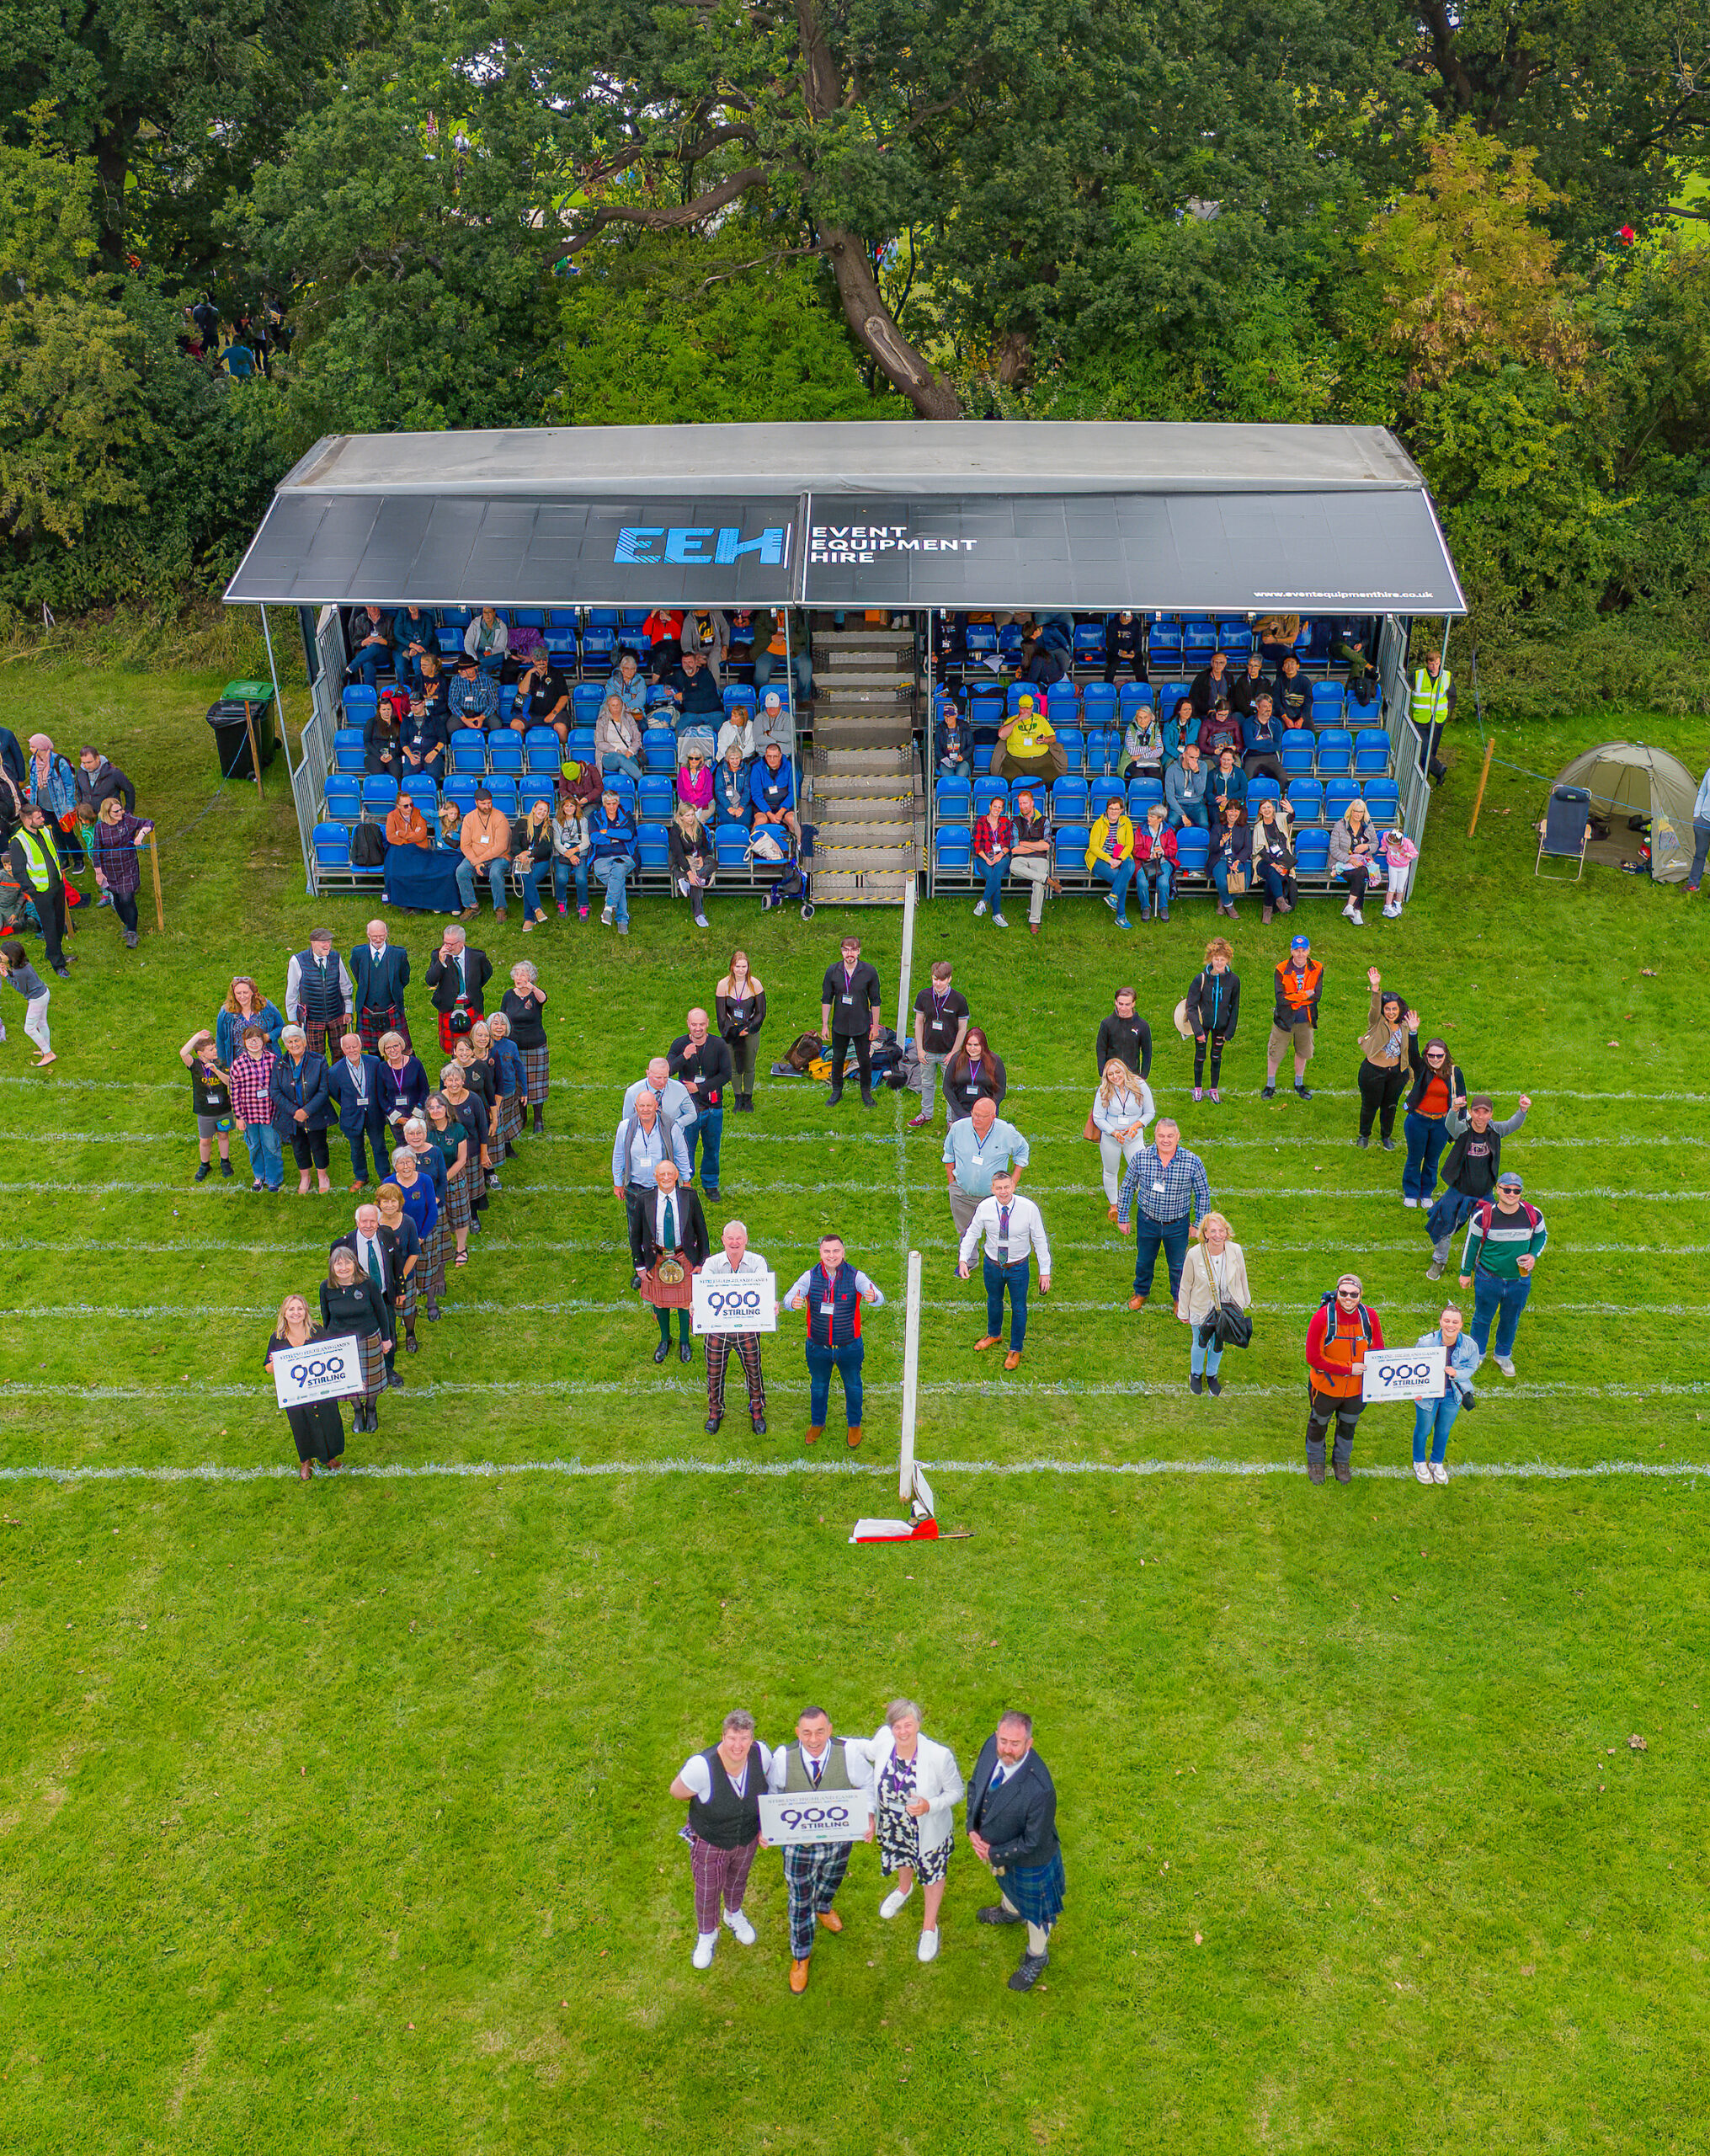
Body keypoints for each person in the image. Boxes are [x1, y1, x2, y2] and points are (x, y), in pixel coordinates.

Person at [765, 1706, 875, 1992]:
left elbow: (869, 1783)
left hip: (839, 1840)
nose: (814, 1740)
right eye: (807, 1733)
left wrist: (870, 1815)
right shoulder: (782, 1759)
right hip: (798, 1846)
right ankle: (801, 1957)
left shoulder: (849, 1754)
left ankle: (824, 1906)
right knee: (800, 1901)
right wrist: (769, 1825)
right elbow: (772, 1794)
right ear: (797, 1733)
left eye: (820, 1732)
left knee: (831, 1881)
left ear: (830, 1729)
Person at [966, 1711, 1063, 1993]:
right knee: (1006, 1883)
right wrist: (971, 1828)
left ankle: (1037, 1955)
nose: (1007, 1749)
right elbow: (976, 1787)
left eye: (1016, 1744)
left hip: (1033, 1861)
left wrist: (992, 1852)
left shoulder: (1040, 1788)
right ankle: (1010, 1911)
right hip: (997, 1848)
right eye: (1004, 1741)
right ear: (997, 1736)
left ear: (1029, 1744)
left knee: (1038, 1912)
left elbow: (1032, 1841)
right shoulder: (990, 1747)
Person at [670, 1709, 772, 1971]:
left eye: (744, 1738)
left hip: (747, 1835)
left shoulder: (762, 1755)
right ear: (722, 1737)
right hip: (710, 1840)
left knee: (739, 1878)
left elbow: (767, 1790)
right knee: (707, 1889)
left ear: (752, 1739)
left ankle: (733, 1914)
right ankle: (707, 1934)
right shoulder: (701, 1767)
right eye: (732, 1738)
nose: (738, 1745)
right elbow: (677, 1791)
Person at [865, 1701, 964, 1966]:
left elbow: (956, 1792)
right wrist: (826, 1740)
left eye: (908, 1724)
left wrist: (930, 1805)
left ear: (918, 1724)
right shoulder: (885, 1742)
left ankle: (929, 1927)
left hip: (927, 1829)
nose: (902, 1731)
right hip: (895, 1824)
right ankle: (904, 1889)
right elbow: (859, 1748)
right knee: (902, 1859)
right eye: (897, 1726)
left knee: (932, 1874)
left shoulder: (938, 1755)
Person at [782, 1234, 885, 1449]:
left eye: (836, 1251)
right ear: (820, 1253)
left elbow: (879, 1297)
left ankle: (854, 1425)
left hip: (850, 1345)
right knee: (818, 1387)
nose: (831, 1255)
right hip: (818, 1346)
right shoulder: (809, 1276)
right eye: (827, 1251)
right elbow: (787, 1300)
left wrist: (872, 1296)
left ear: (843, 1253)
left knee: (853, 1386)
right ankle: (817, 1423)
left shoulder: (856, 1276)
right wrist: (794, 1302)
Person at [1426, 1091, 1532, 1279]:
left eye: (1485, 1112)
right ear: (1472, 1113)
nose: (1481, 1116)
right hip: (1459, 1191)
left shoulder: (1495, 1130)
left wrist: (1522, 1110)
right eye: (1477, 1112)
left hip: (1484, 1194)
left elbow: (1512, 1125)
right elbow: (1450, 1125)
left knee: (1486, 1230)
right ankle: (1439, 1261)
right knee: (1445, 1226)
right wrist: (1453, 1109)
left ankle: (1477, 1261)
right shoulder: (1463, 1129)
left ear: (1491, 1114)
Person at [957, 1168, 1051, 1371]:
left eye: (1007, 1187)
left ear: (1013, 1187)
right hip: (992, 1264)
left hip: (1018, 1266)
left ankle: (1015, 1348)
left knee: (1019, 1308)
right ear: (992, 1189)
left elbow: (1040, 1239)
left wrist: (1045, 1271)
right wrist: (963, 1260)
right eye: (998, 1188)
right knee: (993, 1300)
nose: (1003, 1192)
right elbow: (972, 1232)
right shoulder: (985, 1207)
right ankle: (994, 1334)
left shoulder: (1029, 1208)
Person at [1116, 1119, 1211, 1310]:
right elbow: (1127, 1187)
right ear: (1155, 1136)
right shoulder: (1141, 1158)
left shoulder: (1193, 1161)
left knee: (1178, 1266)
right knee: (1144, 1260)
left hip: (1178, 1225)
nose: (1165, 1140)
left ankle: (1179, 1299)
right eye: (1161, 1136)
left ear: (1178, 1137)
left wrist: (1198, 1223)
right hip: (1147, 1221)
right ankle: (1141, 1293)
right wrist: (1123, 1217)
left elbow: (1202, 1193)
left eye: (1170, 1136)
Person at [1459, 1173, 1547, 1377]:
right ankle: (1477, 1355)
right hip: (1488, 1278)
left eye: (1516, 1191)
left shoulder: (1533, 1214)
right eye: (1506, 1189)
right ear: (1497, 1190)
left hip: (1520, 1280)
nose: (1511, 1194)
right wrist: (1465, 1273)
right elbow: (1470, 1246)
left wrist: (1533, 1255)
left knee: (1511, 1318)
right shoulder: (1483, 1216)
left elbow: (1541, 1235)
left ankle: (1503, 1355)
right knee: (1482, 1318)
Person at [1304, 1276, 1383, 1483]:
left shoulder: (1370, 1316)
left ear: (1361, 1295)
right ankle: (1316, 1463)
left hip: (1357, 1391)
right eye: (1343, 1293)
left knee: (1348, 1426)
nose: (1348, 1298)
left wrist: (1380, 1389)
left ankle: (1341, 1462)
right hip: (1326, 1388)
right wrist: (1349, 1369)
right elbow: (1313, 1358)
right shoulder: (1322, 1318)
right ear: (1337, 1292)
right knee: (1318, 1424)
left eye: (1353, 1294)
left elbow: (1378, 1352)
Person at [265, 1294, 347, 1480]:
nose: (296, 1313)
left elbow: (333, 1354)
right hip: (295, 1392)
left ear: (306, 1311)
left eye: (300, 1309)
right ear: (284, 1313)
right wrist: (275, 1363)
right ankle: (306, 1461)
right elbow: (268, 1368)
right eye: (291, 1309)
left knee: (328, 1421)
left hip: (320, 1388)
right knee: (301, 1424)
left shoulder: (317, 1331)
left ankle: (328, 1458)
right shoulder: (277, 1337)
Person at [700, 1219, 769, 1435]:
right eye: (730, 1238)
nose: (735, 1242)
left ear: (746, 1240)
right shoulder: (711, 1264)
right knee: (714, 1374)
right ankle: (714, 1412)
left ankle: (757, 1411)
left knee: (754, 1372)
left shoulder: (758, 1262)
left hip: (747, 1328)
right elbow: (705, 1294)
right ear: (723, 1240)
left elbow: (761, 1291)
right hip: (717, 1329)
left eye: (739, 1238)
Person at [613, 1086, 694, 1268]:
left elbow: (681, 1153)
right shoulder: (625, 1127)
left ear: (657, 1105)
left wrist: (686, 1179)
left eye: (649, 1105)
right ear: (636, 1107)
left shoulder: (671, 1126)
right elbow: (618, 1154)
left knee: (662, 1228)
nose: (645, 1109)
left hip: (662, 1188)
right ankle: (640, 1267)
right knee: (636, 1231)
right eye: (641, 1105)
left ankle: (663, 1264)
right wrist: (618, 1183)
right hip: (636, 1188)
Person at [636, 1158, 706, 1365]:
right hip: (656, 1258)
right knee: (660, 1303)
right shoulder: (644, 1199)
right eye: (661, 1174)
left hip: (684, 1256)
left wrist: (702, 1260)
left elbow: (701, 1229)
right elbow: (636, 1235)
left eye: (670, 1174)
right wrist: (639, 1265)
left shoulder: (690, 1197)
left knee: (685, 1304)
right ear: (655, 1177)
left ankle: (685, 1341)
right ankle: (665, 1339)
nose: (666, 1178)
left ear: (676, 1176)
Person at [1175, 1210, 1251, 1397]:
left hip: (1227, 1307)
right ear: (1205, 1234)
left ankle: (1211, 1375)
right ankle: (1195, 1374)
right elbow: (1186, 1284)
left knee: (1218, 1344)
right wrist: (1183, 1311)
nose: (1218, 1235)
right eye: (1213, 1231)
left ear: (1227, 1232)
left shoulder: (1235, 1250)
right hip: (1201, 1307)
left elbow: (1242, 1277)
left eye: (1222, 1230)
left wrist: (1244, 1302)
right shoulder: (1194, 1254)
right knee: (1200, 1343)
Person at [333, 1203, 407, 1388]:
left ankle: (388, 1370)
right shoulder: (343, 1244)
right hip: (358, 1301)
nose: (368, 1225)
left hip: (383, 1296)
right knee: (359, 1336)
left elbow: (397, 1264)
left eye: (372, 1221)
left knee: (389, 1334)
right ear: (357, 1222)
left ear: (379, 1221)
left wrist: (400, 1290)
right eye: (364, 1221)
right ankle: (359, 1372)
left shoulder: (387, 1235)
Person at [318, 1245, 390, 1434]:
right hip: (341, 1344)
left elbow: (382, 1311)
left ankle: (371, 1409)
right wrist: (328, 1344)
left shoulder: (368, 1284)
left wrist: (387, 1338)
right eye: (338, 1264)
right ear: (332, 1267)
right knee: (348, 1381)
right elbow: (326, 1317)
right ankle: (358, 1410)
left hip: (369, 1339)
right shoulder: (326, 1287)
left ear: (354, 1263)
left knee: (371, 1380)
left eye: (347, 1262)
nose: (343, 1267)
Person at [944, 1097, 1031, 1241]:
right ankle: (968, 1263)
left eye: (982, 1116)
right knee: (966, 1235)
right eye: (975, 1114)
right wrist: (952, 1183)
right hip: (962, 1194)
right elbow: (949, 1154)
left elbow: (1022, 1151)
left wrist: (1013, 1182)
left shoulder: (1006, 1132)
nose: (976, 1119)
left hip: (995, 1197)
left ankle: (998, 1263)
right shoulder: (958, 1128)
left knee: (998, 1235)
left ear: (993, 1116)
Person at [1411, 1305, 1481, 1485]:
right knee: (1424, 1430)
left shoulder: (1470, 1345)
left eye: (1455, 1322)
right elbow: (1413, 1368)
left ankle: (1436, 1462)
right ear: (1440, 1322)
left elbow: (1472, 1367)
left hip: (1453, 1394)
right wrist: (1416, 1392)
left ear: (1461, 1324)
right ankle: (1419, 1462)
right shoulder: (1426, 1342)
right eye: (1447, 1321)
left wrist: (1457, 1373)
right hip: (1428, 1395)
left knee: (1443, 1430)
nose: (1451, 1325)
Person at [668, 1006, 732, 1198]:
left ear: (707, 1024)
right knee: (686, 1148)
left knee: (712, 1148)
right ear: (688, 1024)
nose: (698, 1028)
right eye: (694, 1024)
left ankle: (711, 1185)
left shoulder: (719, 1045)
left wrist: (701, 1088)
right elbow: (668, 1070)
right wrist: (684, 1057)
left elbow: (726, 1074)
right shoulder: (679, 1044)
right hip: (687, 1111)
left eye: (702, 1024)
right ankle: (685, 1183)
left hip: (713, 1108)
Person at [1355, 969, 1418, 1150]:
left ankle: (1386, 1136)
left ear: (1400, 1010)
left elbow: (1409, 1051)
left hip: (1397, 1074)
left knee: (1390, 1106)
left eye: (1394, 1009)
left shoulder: (1405, 1026)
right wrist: (1375, 987)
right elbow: (1374, 1009)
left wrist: (1411, 1073)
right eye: (1387, 1009)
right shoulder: (1377, 1022)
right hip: (1373, 1072)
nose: (1390, 1012)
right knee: (1370, 1105)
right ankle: (1364, 1135)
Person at [1402, 1034, 1465, 1209]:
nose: (1435, 1059)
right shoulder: (1422, 1068)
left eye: (1439, 1056)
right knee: (1414, 1158)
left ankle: (1426, 1193)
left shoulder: (1454, 1072)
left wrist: (1459, 1125)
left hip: (1441, 1123)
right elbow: (1412, 1053)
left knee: (1432, 1160)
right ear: (1426, 1056)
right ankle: (1411, 1192)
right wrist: (1412, 1033)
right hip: (1418, 1121)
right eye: (1431, 1055)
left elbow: (1462, 1096)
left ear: (1445, 1056)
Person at [820, 936, 883, 1108]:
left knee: (864, 1060)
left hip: (861, 1025)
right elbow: (826, 999)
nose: (850, 953)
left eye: (853, 950)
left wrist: (875, 1026)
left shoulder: (869, 971)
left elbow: (875, 1001)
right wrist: (825, 1025)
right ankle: (836, 1091)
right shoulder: (833, 971)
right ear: (841, 951)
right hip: (839, 1025)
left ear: (859, 951)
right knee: (838, 1059)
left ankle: (866, 1093)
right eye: (846, 950)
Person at [7, 806, 71, 974]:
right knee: (49, 927)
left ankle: (54, 953)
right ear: (27, 820)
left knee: (58, 924)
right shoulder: (18, 841)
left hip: (57, 885)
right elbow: (19, 871)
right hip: (41, 892)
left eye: (41, 816)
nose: (43, 819)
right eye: (38, 817)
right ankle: (58, 965)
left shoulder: (45, 832)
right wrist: (33, 891)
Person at [908, 960, 969, 1130]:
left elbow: (963, 1028)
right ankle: (926, 1114)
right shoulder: (923, 996)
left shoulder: (958, 999)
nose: (937, 983)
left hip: (949, 1053)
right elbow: (919, 1022)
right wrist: (919, 1049)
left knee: (950, 1087)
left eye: (941, 980)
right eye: (935, 979)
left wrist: (954, 1053)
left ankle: (951, 1120)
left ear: (949, 979)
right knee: (926, 1084)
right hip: (927, 1051)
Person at [1092, 1057, 1153, 1220]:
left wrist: (1135, 1126)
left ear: (1124, 1071)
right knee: (1111, 1170)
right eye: (1110, 1074)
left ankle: (1147, 1202)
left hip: (1133, 1138)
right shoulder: (1103, 1090)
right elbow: (1098, 1117)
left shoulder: (1140, 1085)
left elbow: (1150, 1112)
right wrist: (1114, 1132)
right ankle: (1114, 1205)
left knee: (1143, 1170)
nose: (1115, 1076)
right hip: (1111, 1139)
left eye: (1118, 1072)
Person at [88, 794, 154, 948]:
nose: (121, 813)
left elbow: (149, 822)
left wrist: (140, 835)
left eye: (121, 809)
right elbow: (96, 850)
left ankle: (132, 932)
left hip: (127, 866)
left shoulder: (127, 821)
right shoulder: (100, 827)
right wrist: (99, 872)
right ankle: (128, 924)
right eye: (116, 812)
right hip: (109, 869)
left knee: (127, 898)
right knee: (117, 899)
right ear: (107, 814)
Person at [327, 1032, 388, 1190]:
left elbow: (381, 1085)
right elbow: (335, 1093)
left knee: (379, 1145)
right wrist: (349, 1104)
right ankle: (361, 1177)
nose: (352, 1050)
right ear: (342, 1049)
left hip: (374, 1113)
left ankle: (385, 1176)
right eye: (347, 1048)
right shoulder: (335, 1071)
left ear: (360, 1046)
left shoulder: (374, 1062)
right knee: (356, 1148)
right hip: (352, 1115)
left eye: (354, 1046)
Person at [384, 1154, 440, 1326]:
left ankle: (431, 1302)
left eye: (409, 1162)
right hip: (399, 1238)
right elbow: (385, 1210)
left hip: (424, 1234)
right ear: (395, 1166)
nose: (406, 1166)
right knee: (405, 1274)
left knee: (427, 1270)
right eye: (401, 1163)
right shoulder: (389, 1182)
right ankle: (409, 1309)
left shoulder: (425, 1180)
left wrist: (421, 1237)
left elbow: (432, 1209)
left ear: (415, 1163)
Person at [1264, 935, 1321, 1102]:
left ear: (1309, 951)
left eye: (1303, 950)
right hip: (1284, 1020)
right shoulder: (1281, 969)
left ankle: (1299, 1084)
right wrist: (1303, 995)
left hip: (1305, 1019)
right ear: (1291, 950)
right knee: (1275, 1053)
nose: (1300, 954)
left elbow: (1317, 995)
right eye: (1297, 950)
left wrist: (1294, 998)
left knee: (1303, 1052)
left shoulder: (1317, 967)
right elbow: (1281, 998)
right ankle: (1270, 1085)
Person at [1185, 937, 1240, 1104]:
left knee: (1216, 1057)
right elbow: (1191, 1006)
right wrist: (1197, 1030)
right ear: (1211, 958)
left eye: (1222, 959)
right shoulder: (1200, 978)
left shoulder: (1234, 980)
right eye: (1216, 959)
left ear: (1228, 960)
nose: (1219, 962)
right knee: (1200, 1056)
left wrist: (1230, 1031)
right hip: (1203, 1026)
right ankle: (1198, 1088)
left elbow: (1235, 1007)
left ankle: (1214, 1089)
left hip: (1221, 1026)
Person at [422, 1091, 475, 1267]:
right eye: (431, 1107)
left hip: (453, 1177)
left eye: (439, 1106)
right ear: (427, 1111)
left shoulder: (458, 1129)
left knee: (459, 1214)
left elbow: (462, 1159)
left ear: (447, 1108)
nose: (435, 1110)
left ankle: (461, 1248)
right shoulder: (424, 1131)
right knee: (436, 1216)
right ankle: (441, 1250)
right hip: (431, 1181)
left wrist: (444, 1178)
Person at [228, 1022, 282, 1190]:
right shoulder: (238, 1064)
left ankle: (273, 1179)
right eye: (250, 1039)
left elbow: (280, 1087)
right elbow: (235, 1093)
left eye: (257, 1039)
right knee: (255, 1146)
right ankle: (259, 1176)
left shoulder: (273, 1060)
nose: (254, 1042)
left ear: (263, 1041)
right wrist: (239, 1117)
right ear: (244, 1042)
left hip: (269, 1112)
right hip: (249, 1115)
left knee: (272, 1146)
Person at [285, 929, 354, 1059]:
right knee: (315, 1057)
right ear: (313, 943)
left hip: (337, 1015)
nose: (327, 946)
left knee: (341, 1053)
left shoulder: (335, 958)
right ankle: (320, 1079)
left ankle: (339, 1079)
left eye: (329, 942)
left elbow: (345, 985)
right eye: (323, 942)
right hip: (313, 1018)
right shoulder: (297, 961)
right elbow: (292, 992)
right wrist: (293, 1019)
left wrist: (348, 1010)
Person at [424, 924, 493, 1055]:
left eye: (451, 944)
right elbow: (430, 981)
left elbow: (487, 974)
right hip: (449, 1006)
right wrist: (441, 963)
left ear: (462, 943)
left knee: (475, 1043)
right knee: (453, 1048)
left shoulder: (477, 957)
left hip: (471, 1005)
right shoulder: (438, 955)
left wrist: (473, 989)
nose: (447, 947)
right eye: (445, 943)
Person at [499, 961, 550, 1135]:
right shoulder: (508, 995)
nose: (519, 978)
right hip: (514, 1048)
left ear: (530, 978)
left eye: (523, 975)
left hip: (536, 1046)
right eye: (517, 974)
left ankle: (538, 1120)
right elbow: (503, 1018)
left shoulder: (536, 995)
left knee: (537, 1084)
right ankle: (522, 1118)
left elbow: (543, 998)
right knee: (519, 1084)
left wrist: (532, 988)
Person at [178, 1028, 235, 1180]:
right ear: (201, 1054)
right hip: (204, 1110)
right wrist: (196, 1037)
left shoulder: (222, 1063)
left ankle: (225, 1161)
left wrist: (216, 1071)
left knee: (223, 1135)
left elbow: (229, 1082)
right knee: (205, 1140)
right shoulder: (195, 1065)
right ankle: (205, 1164)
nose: (215, 1050)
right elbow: (183, 1053)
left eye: (215, 1047)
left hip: (223, 1109)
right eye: (211, 1049)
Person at [715, 951, 766, 1115]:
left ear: (748, 967)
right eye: (738, 966)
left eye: (744, 966)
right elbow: (721, 1014)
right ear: (732, 967)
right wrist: (732, 1031)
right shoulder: (723, 984)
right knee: (734, 1067)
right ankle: (738, 1098)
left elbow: (761, 1012)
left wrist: (749, 1029)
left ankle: (748, 1098)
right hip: (731, 1032)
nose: (741, 970)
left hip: (750, 1030)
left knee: (749, 1066)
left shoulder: (755, 984)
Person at [350, 920, 412, 1054]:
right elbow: (357, 975)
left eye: (381, 936)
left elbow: (404, 978)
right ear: (368, 934)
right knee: (373, 1051)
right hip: (367, 1008)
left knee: (400, 1048)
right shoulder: (358, 953)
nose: (378, 939)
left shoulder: (398, 954)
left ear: (386, 934)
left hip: (391, 1008)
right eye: (374, 936)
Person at [455, 785, 511, 920]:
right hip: (476, 857)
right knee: (461, 871)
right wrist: (476, 861)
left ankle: (500, 908)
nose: (487, 806)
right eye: (484, 804)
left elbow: (501, 846)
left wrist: (479, 860)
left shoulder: (500, 817)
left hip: (499, 857)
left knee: (496, 873)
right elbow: (465, 845)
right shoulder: (469, 818)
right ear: (476, 803)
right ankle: (472, 906)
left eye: (489, 803)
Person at [588, 788, 638, 935]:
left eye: (614, 803)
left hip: (624, 856)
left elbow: (628, 834)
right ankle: (621, 918)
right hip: (601, 858)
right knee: (618, 879)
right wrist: (616, 838)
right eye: (608, 804)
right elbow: (594, 838)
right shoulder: (595, 817)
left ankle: (610, 909)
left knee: (618, 870)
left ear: (618, 802)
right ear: (604, 804)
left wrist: (607, 833)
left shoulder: (626, 816)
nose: (611, 807)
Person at [1084, 797, 1137, 928]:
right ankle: (1121, 916)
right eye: (1111, 809)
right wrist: (1109, 859)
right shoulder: (1099, 823)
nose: (1113, 812)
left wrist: (1119, 859)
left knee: (1130, 864)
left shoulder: (1126, 822)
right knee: (1121, 880)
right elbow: (1094, 846)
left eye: (1116, 809)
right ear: (1107, 810)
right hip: (1100, 858)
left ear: (1122, 810)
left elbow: (1130, 844)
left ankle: (1113, 896)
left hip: (1120, 856)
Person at [1329, 797, 1380, 926]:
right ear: (1351, 811)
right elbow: (1333, 849)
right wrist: (1349, 859)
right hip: (1343, 864)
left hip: (1363, 863)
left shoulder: (1368, 825)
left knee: (1361, 872)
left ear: (1364, 813)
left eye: (1361, 812)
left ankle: (1350, 907)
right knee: (1361, 875)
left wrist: (1367, 847)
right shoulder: (1340, 825)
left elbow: (1375, 844)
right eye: (1355, 811)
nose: (1358, 814)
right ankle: (1356, 911)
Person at [994, 694, 1066, 784]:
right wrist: (1017, 720)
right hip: (1015, 760)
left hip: (1041, 760)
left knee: (1052, 779)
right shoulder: (1011, 720)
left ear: (1032, 707)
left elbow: (1053, 737)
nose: (1025, 711)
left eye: (1028, 708)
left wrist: (1045, 740)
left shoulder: (1040, 719)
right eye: (1023, 708)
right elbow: (1001, 735)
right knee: (1009, 780)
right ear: (1019, 707)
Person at [0, 942, 53, 1064]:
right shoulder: (24, 964)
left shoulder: (19, 972)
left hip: (36, 999)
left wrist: (7, 976)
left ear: (11, 956)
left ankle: (48, 1054)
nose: (0, 955)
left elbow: (21, 989)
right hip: (44, 993)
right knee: (42, 1023)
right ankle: (45, 1048)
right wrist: (8, 971)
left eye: (2, 954)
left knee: (29, 1028)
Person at [1409, 646, 1454, 782]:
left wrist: (1448, 714)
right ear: (1427, 663)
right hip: (1421, 718)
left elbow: (1452, 696)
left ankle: (1426, 777)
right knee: (1423, 748)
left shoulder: (1447, 676)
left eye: (1437, 663)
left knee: (1431, 750)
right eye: (1431, 664)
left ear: (1440, 663)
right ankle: (1439, 769)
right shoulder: (1417, 675)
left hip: (1438, 719)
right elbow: (1406, 689)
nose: (1434, 667)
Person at [375, 1029, 429, 1144]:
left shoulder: (415, 1063)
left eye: (395, 1046)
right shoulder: (382, 1068)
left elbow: (425, 1090)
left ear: (401, 1046)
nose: (393, 1050)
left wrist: (417, 1113)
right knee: (403, 1149)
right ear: (383, 1050)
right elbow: (381, 1096)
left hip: (416, 1113)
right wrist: (394, 1116)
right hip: (396, 1116)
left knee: (420, 1146)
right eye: (388, 1048)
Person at [944, 1027, 1005, 1123]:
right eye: (969, 1044)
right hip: (960, 1113)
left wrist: (988, 1109)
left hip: (986, 1113)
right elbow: (947, 1088)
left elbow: (1000, 1091)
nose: (972, 1048)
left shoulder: (995, 1061)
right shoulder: (956, 1059)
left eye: (976, 1045)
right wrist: (961, 1113)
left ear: (983, 1045)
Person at [1249, 796, 1296, 924]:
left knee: (1272, 878)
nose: (1267, 810)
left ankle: (1267, 910)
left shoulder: (1280, 818)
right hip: (1264, 862)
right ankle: (1280, 901)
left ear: (1273, 809)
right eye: (1263, 808)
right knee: (1271, 871)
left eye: (1269, 807)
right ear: (1260, 811)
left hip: (1283, 860)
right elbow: (1260, 851)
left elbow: (1291, 818)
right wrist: (1274, 865)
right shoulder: (1259, 827)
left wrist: (1291, 811)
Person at [669, 804, 716, 929]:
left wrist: (701, 856)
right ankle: (699, 914)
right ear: (681, 817)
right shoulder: (675, 830)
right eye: (687, 815)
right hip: (684, 860)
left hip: (698, 859)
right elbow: (678, 854)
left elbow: (705, 847)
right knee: (695, 879)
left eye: (692, 815)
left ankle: (693, 881)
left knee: (713, 863)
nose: (691, 818)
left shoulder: (698, 826)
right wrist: (689, 872)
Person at [509, 799, 554, 929]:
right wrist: (521, 855)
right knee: (525, 877)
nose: (542, 812)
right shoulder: (522, 823)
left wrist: (529, 854)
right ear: (534, 809)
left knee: (529, 880)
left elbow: (546, 849)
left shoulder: (548, 827)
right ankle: (536, 910)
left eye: (545, 811)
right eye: (540, 809)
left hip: (540, 861)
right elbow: (514, 844)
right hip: (521, 859)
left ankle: (529, 918)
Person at [1132, 799, 1178, 923]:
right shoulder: (1141, 830)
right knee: (1142, 882)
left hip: (1163, 862)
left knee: (1163, 883)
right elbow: (1136, 850)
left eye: (1152, 816)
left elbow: (1173, 850)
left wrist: (1163, 851)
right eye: (1148, 815)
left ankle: (1163, 907)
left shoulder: (1168, 831)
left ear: (1160, 819)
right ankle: (1145, 906)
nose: (1148, 818)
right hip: (1145, 861)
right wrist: (1150, 855)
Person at [749, 742, 801, 846]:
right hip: (764, 806)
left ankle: (798, 848)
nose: (772, 760)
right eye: (769, 756)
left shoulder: (789, 767)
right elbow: (756, 795)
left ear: (780, 756)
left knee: (792, 820)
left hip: (783, 806)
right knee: (760, 821)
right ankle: (753, 849)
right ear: (765, 755)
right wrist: (769, 813)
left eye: (775, 756)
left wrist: (781, 812)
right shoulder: (757, 768)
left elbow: (793, 793)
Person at [972, 792, 1012, 927]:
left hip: (1001, 856)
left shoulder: (1006, 823)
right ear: (990, 807)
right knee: (993, 877)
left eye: (999, 807)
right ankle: (997, 914)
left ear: (1002, 810)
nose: (996, 809)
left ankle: (984, 901)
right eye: (995, 806)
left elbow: (1008, 844)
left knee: (998, 870)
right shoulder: (980, 822)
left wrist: (999, 856)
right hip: (984, 856)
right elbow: (977, 846)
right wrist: (988, 860)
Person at [1095, 987, 1153, 1081]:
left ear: (1133, 1004)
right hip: (1112, 1076)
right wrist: (1103, 1073)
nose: (1123, 1008)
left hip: (1132, 1075)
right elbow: (1101, 1049)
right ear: (1115, 1002)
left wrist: (1143, 1076)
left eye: (1127, 1004)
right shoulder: (1107, 1024)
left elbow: (1147, 1052)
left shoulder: (1142, 1025)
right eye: (1120, 1004)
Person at [1209, 799, 1249, 919]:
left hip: (1237, 859)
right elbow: (1212, 847)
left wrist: (1237, 861)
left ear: (1240, 812)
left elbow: (1247, 848)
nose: (1233, 813)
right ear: (1226, 812)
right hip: (1220, 858)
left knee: (1243, 886)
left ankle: (1222, 899)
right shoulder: (1217, 827)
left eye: (1236, 810)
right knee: (1222, 883)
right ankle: (1229, 906)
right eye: (1230, 810)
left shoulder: (1244, 828)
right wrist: (1221, 842)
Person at [1239, 691, 1286, 787]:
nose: (1268, 709)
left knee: (1283, 778)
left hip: (1271, 757)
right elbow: (1250, 744)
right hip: (1252, 757)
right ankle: (1245, 801)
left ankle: (1277, 800)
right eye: (1265, 706)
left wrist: (1258, 743)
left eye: (1270, 706)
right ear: (1258, 707)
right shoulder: (1248, 723)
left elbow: (1277, 745)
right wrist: (1268, 741)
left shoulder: (1276, 723)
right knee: (1245, 781)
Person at [447, 654, 500, 731]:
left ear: (474, 668)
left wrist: (482, 717)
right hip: (464, 712)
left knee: (496, 724)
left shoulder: (486, 679)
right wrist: (464, 719)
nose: (460, 671)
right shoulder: (456, 680)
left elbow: (494, 702)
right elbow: (452, 703)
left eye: (463, 669)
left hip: (483, 712)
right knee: (451, 726)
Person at [344, 606, 392, 687]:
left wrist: (384, 641)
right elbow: (355, 641)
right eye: (369, 606)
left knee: (376, 646)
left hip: (383, 654)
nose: (372, 609)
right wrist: (364, 642)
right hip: (366, 655)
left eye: (374, 606)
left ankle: (351, 668)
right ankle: (372, 694)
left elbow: (394, 641)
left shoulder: (388, 619)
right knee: (367, 664)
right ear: (366, 607)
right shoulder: (360, 620)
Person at [1164, 743, 1208, 831]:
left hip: (1197, 804)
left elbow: (1200, 791)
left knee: (1204, 824)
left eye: (1196, 758)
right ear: (1184, 755)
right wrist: (1182, 815)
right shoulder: (1172, 769)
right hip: (1179, 804)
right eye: (1191, 757)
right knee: (1171, 822)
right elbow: (1170, 796)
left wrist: (1196, 772)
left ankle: (1200, 845)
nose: (1194, 761)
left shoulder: (1202, 766)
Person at [391, 606, 433, 696]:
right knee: (400, 667)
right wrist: (412, 646)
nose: (412, 607)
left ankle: (419, 692)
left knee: (418, 666)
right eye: (410, 605)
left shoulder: (426, 617)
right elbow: (397, 635)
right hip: (403, 648)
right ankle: (404, 692)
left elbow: (429, 636)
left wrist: (417, 648)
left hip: (420, 648)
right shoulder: (402, 615)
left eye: (415, 605)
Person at [1378, 826, 1419, 921]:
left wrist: (1410, 855)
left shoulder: (1407, 843)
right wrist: (1384, 847)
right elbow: (1384, 839)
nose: (1393, 847)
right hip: (1392, 866)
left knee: (1400, 887)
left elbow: (1415, 853)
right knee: (1392, 887)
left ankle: (1398, 903)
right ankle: (1388, 905)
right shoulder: (1387, 837)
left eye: (1395, 845)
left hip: (1404, 867)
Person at [463, 603, 509, 675]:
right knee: (485, 667)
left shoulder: (502, 626)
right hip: (479, 652)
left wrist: (490, 652)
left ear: (494, 613)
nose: (487, 615)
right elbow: (468, 643)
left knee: (501, 656)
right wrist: (474, 657)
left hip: (494, 653)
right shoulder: (475, 623)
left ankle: (476, 667)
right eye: (485, 612)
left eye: (489, 612)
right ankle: (484, 676)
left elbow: (501, 647)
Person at [605, 650, 647, 719]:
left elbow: (641, 701)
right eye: (626, 668)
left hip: (635, 714)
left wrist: (624, 704)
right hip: (615, 713)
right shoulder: (613, 681)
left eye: (632, 669)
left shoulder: (640, 681)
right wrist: (630, 697)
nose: (629, 672)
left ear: (635, 670)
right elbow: (611, 700)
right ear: (622, 669)